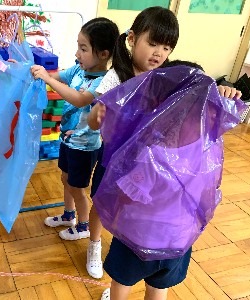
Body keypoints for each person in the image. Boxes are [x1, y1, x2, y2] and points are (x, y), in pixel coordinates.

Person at [85, 7, 242, 281]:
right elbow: (92, 122)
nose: (158, 53)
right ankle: (95, 244)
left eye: (166, 47)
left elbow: (198, 91)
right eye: (152, 43)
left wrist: (223, 90)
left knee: (130, 214)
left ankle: (122, 257)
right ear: (132, 39)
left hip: (146, 167)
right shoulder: (116, 77)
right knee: (101, 203)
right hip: (113, 161)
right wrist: (97, 116)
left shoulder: (168, 78)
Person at [30, 17, 119, 240]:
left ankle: (83, 226)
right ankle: (69, 215)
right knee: (65, 179)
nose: (77, 53)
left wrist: (48, 81)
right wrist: (37, 72)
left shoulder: (105, 81)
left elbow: (80, 99)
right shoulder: (78, 70)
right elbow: (56, 76)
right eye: (78, 47)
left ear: (103, 54)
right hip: (68, 140)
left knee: (77, 188)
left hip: (86, 146)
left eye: (83, 48)